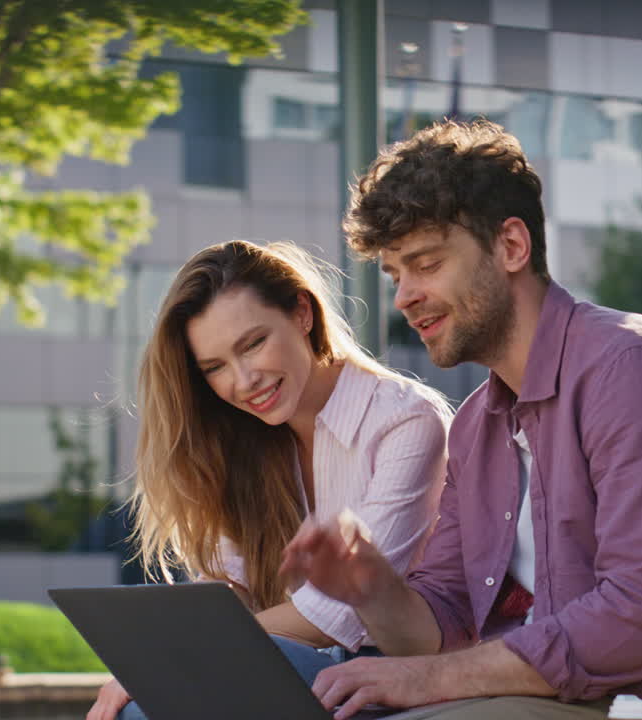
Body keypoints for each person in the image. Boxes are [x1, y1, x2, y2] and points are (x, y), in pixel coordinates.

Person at [279, 119, 642, 720]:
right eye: (395, 274)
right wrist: (371, 589)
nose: (403, 297)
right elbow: (442, 626)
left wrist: (428, 681)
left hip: (632, 709)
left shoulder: (633, 369)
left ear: (512, 247)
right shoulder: (476, 426)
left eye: (426, 264)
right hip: (511, 701)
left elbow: (641, 618)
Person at [87, 240, 452, 720]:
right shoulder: (243, 442)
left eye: (253, 344)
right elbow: (228, 589)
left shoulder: (404, 421)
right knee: (139, 706)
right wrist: (168, 654)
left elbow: (338, 614)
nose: (242, 381)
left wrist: (183, 653)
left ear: (302, 312)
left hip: (391, 670)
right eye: (215, 368)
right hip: (299, 663)